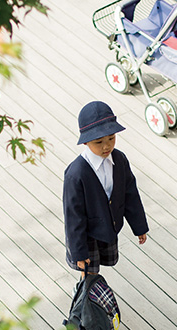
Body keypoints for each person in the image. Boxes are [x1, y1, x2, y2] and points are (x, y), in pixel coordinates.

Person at [64, 101, 148, 277]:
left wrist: (139, 226)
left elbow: (130, 193)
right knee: (88, 271)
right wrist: (78, 252)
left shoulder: (119, 159)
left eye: (111, 138)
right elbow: (73, 216)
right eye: (98, 142)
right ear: (85, 142)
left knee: (101, 262)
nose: (106, 146)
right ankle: (86, 296)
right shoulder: (76, 174)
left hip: (109, 226)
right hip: (86, 234)